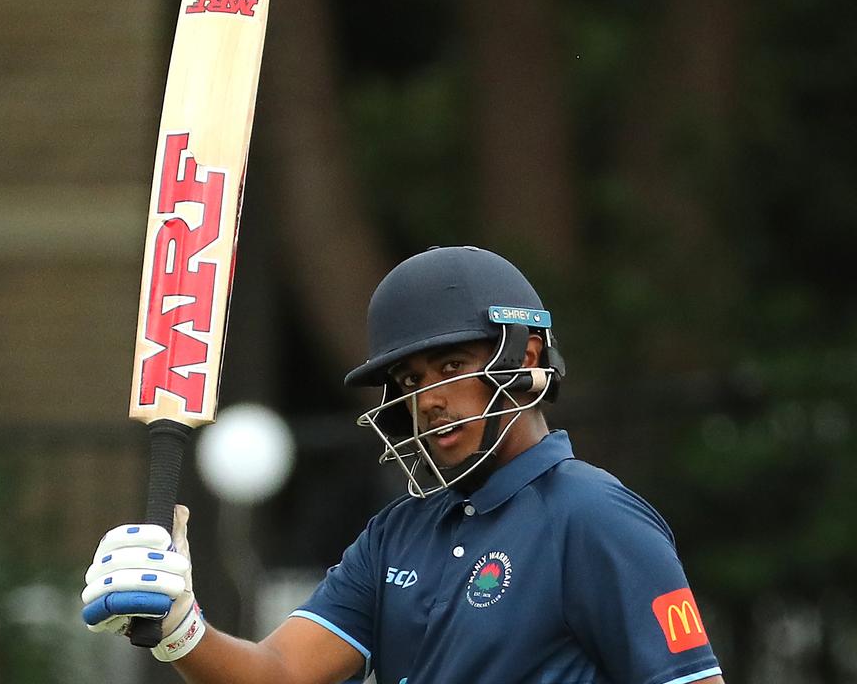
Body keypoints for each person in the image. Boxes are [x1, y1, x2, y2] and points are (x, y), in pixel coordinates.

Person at [81, 246, 725, 684]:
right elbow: (278, 673)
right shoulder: (397, 535)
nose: (432, 399)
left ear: (526, 355)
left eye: (452, 367)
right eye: (412, 378)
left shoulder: (595, 518)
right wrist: (180, 629)